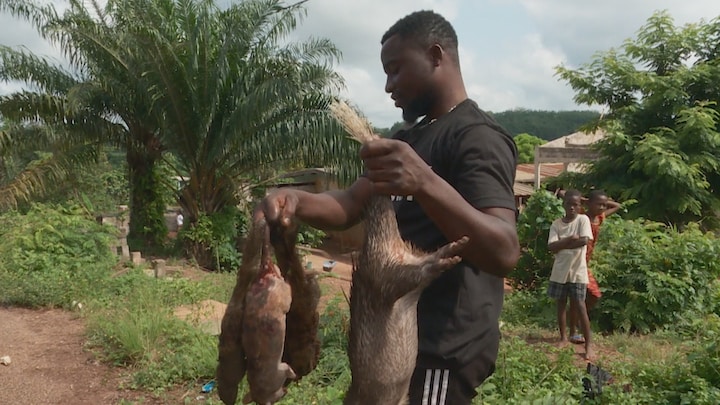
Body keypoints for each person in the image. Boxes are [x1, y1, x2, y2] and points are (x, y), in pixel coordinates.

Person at [258, 10, 519, 405]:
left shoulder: (476, 138)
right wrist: (294, 199)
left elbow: (504, 250)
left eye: (395, 70)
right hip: (388, 340)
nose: (387, 86)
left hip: (440, 348)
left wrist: (425, 182)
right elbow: (348, 204)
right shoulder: (409, 139)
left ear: (435, 56)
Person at [568, 189, 621, 344]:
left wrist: (602, 202)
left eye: (604, 205)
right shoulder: (581, 216)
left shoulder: (599, 218)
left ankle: (575, 320)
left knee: (590, 296)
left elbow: (617, 205)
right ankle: (573, 330)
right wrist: (584, 200)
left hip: (585, 262)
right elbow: (564, 193)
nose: (602, 208)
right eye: (598, 204)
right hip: (576, 260)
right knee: (583, 296)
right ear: (588, 204)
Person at [547, 189, 594, 360]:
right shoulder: (556, 224)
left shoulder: (583, 220)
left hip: (577, 271)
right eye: (569, 204)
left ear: (580, 206)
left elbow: (584, 241)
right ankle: (563, 338)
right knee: (561, 304)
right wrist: (569, 240)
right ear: (564, 204)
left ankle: (588, 345)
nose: (572, 208)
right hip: (560, 271)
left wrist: (562, 243)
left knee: (580, 306)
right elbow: (551, 247)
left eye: (576, 205)